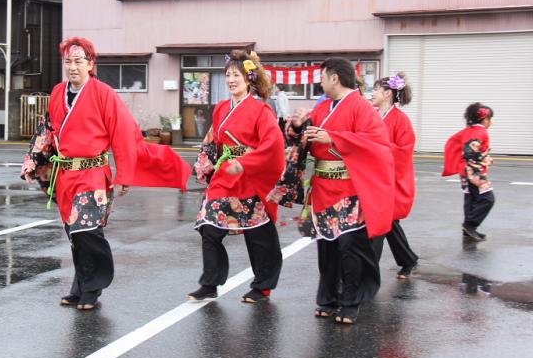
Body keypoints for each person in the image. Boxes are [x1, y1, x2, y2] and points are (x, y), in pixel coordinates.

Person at [22, 37, 191, 311]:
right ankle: (81, 286)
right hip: (66, 174)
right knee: (75, 233)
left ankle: (93, 287)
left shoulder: (104, 93)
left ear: (91, 64)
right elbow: (48, 130)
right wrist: (33, 161)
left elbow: (123, 134)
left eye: (79, 62)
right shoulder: (56, 93)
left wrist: (124, 174)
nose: (73, 67)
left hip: (92, 174)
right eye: (68, 62)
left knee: (86, 229)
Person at [272, 57, 394, 324]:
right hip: (323, 187)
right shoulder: (324, 106)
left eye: (322, 76)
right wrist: (297, 126)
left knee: (350, 247)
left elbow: (378, 145)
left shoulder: (362, 107)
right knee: (327, 248)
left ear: (335, 77)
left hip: (350, 188)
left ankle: (350, 302)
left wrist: (335, 138)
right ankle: (328, 299)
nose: (320, 81)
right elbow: (302, 138)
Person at [189, 50, 286, 303]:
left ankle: (263, 285)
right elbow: (212, 139)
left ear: (249, 79)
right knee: (208, 226)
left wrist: (244, 163)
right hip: (225, 176)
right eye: (228, 75)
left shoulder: (261, 110)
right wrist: (205, 161)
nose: (231, 80)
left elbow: (273, 145)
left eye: (237, 75)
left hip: (250, 176)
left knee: (259, 235)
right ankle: (210, 282)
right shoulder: (221, 108)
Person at [370, 73, 420, 279]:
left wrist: (377, 146)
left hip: (391, 181)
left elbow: (404, 152)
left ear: (388, 93)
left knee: (380, 224)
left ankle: (368, 271)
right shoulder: (373, 115)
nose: (372, 94)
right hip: (375, 179)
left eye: (376, 90)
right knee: (388, 223)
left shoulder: (401, 120)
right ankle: (408, 260)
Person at [442, 103, 494, 241]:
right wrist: (484, 160)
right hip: (473, 171)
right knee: (487, 199)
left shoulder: (469, 130)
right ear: (484, 119)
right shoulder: (479, 131)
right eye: (490, 118)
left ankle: (469, 230)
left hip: (465, 170)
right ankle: (470, 225)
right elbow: (470, 152)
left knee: (471, 198)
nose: (492, 122)